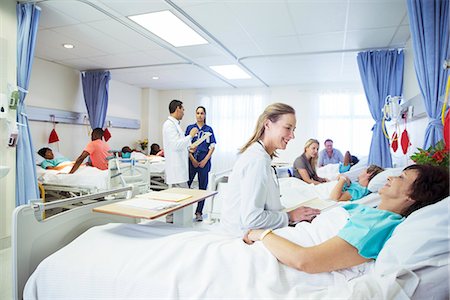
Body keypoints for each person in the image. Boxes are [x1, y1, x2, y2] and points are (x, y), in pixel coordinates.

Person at [244, 164, 449, 273]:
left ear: (412, 196)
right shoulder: (372, 211)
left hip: (274, 253)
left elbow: (305, 260)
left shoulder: (376, 225)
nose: (390, 177)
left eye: (401, 178)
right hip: (280, 243)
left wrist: (261, 234)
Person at [220, 103, 321, 236]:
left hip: (251, 230)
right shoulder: (257, 160)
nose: (292, 136)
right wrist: (290, 216)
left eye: (293, 129)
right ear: (267, 124)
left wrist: (292, 214)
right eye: (288, 128)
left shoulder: (262, 156)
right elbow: (252, 219)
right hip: (241, 236)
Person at [185, 106, 217, 222]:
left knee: (202, 187)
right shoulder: (190, 128)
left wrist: (205, 160)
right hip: (191, 159)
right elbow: (185, 145)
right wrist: (192, 159)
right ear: (195, 114)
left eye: (202, 113)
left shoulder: (209, 129)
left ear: (205, 115)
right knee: (186, 186)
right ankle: (185, 210)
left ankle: (199, 211)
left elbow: (212, 147)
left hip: (204, 160)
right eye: (197, 113)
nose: (199, 115)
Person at [162, 100, 198, 188]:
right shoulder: (169, 125)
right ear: (178, 109)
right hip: (176, 171)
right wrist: (190, 136)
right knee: (183, 198)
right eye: (183, 109)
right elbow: (176, 145)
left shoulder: (175, 125)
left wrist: (189, 148)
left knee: (183, 198)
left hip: (180, 171)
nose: (183, 112)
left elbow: (179, 144)